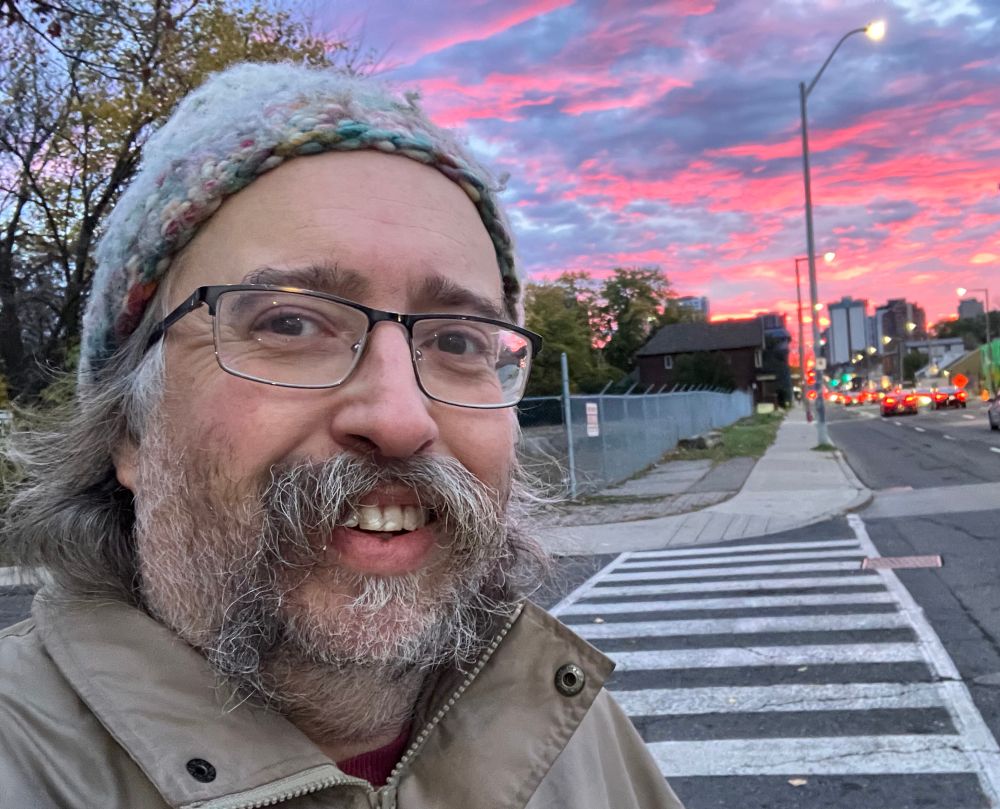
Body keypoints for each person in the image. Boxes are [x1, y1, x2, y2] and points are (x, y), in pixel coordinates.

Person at [0, 63, 683, 808]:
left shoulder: (571, 733)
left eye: (458, 341)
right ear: (130, 430)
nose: (400, 419)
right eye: (290, 323)